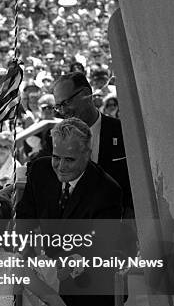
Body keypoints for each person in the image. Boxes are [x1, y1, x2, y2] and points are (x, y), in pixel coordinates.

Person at [15, 118, 123, 306]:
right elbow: (26, 216)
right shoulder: (39, 170)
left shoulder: (108, 191)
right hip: (51, 287)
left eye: (70, 160)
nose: (60, 167)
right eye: (56, 157)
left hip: (92, 294)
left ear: (87, 154)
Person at [52, 72, 132, 218]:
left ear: (86, 94)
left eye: (66, 103)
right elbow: (34, 175)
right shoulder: (55, 137)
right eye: (58, 106)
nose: (63, 111)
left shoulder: (123, 133)